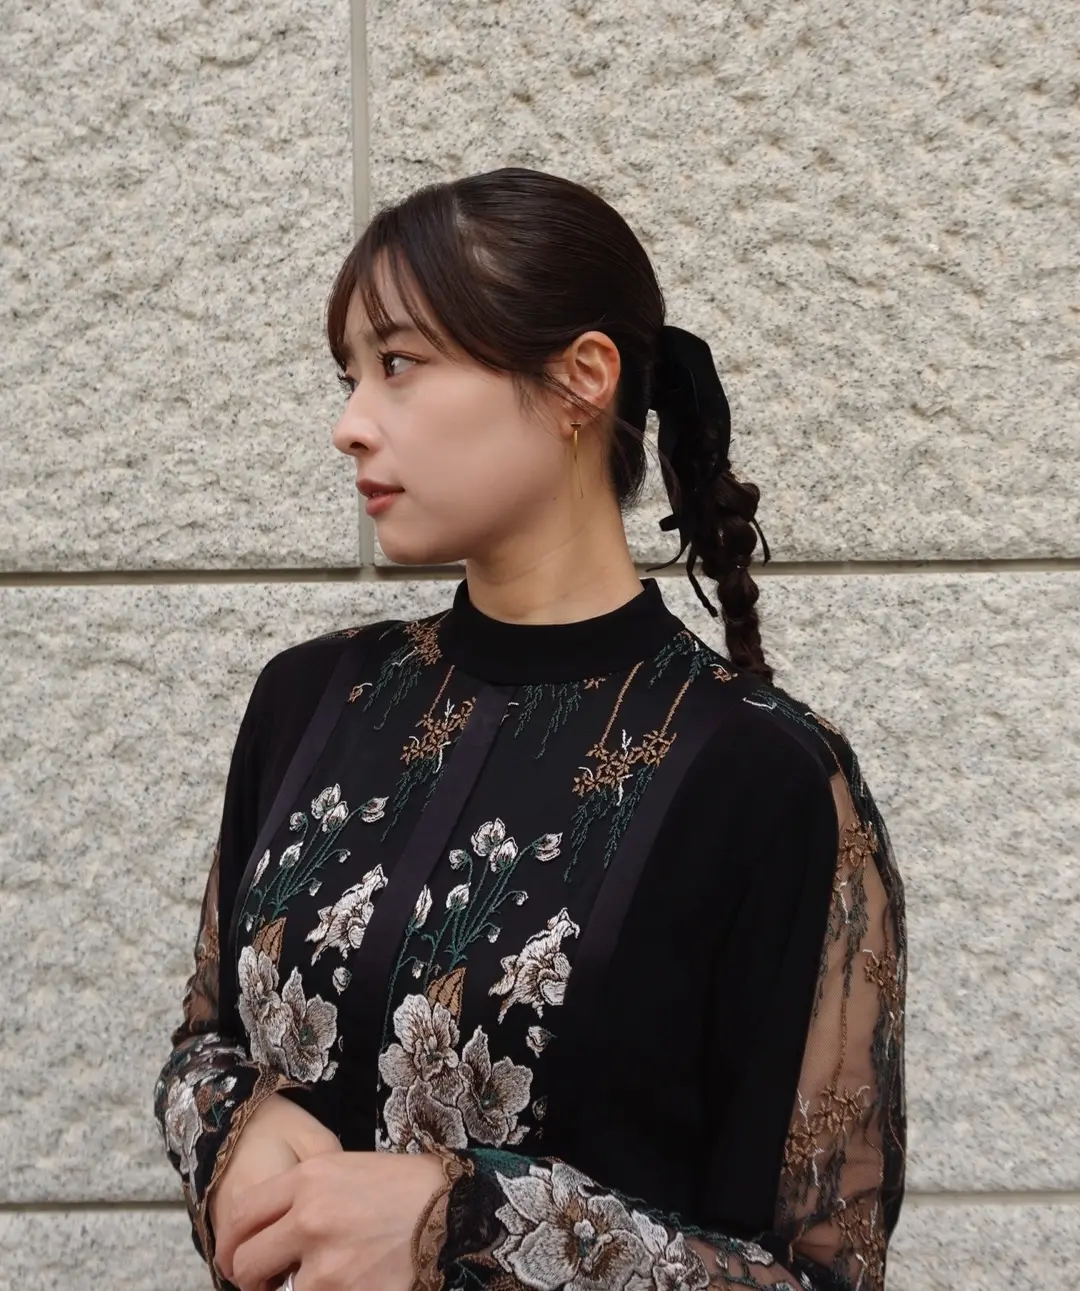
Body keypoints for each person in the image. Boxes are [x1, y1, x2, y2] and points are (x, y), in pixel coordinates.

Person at [154, 166, 906, 1291]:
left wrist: (467, 1228)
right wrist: (234, 1127)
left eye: (399, 364)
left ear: (579, 379)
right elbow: (206, 1038)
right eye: (349, 375)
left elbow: (820, 1271)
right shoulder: (311, 699)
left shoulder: (765, 777)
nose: (349, 425)